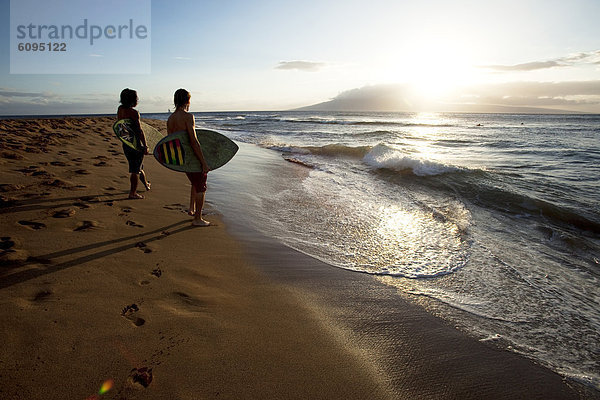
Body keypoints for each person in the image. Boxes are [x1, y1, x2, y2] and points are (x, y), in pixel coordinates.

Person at [167, 89, 211, 226]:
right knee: (201, 186)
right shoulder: (188, 117)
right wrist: (203, 162)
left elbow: (171, 141)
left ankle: (191, 209)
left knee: (194, 182)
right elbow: (194, 141)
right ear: (187, 101)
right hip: (192, 156)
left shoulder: (170, 119)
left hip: (181, 158)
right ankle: (198, 219)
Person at [117, 88, 151, 199]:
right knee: (135, 170)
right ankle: (133, 193)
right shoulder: (134, 113)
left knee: (138, 166)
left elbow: (121, 126)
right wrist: (145, 145)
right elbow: (139, 131)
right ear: (133, 100)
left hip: (126, 143)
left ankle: (146, 184)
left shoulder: (120, 109)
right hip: (135, 144)